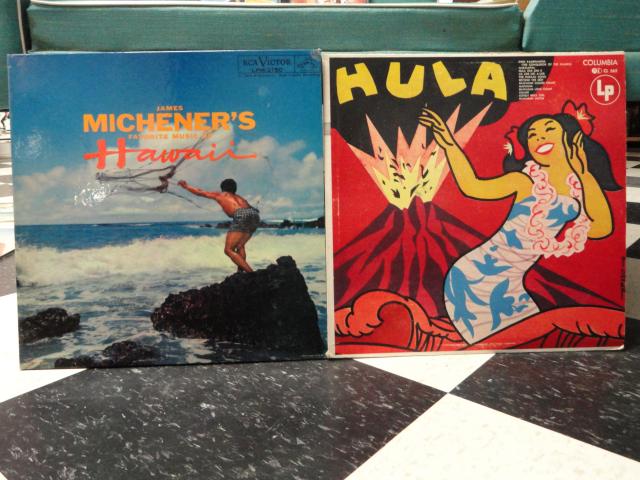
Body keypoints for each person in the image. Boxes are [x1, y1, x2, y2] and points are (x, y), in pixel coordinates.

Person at [418, 101, 620, 344]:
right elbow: (473, 187)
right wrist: (449, 144)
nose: (539, 137)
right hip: (473, 278)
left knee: (527, 340)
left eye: (549, 130)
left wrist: (584, 173)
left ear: (570, 138)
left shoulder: (581, 190)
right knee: (510, 342)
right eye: (532, 135)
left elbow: (601, 228)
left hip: (509, 284)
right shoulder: (525, 181)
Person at [178, 178, 260, 273]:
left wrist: (186, 186)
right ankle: (240, 272)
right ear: (235, 189)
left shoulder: (221, 195)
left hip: (241, 214)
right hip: (254, 214)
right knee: (240, 245)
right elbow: (250, 209)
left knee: (228, 250)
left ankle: (251, 273)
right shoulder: (240, 198)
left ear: (222, 189)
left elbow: (200, 192)